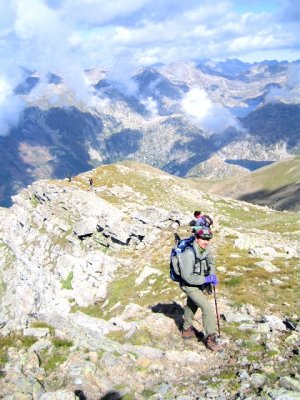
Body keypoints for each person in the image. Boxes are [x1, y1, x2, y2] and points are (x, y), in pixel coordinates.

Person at [179, 227, 222, 351]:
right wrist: (206, 279)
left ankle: (186, 330)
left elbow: (211, 262)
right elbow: (188, 278)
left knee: (193, 304)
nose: (206, 241)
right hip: (188, 285)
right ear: (196, 239)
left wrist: (212, 276)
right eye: (203, 239)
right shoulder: (189, 253)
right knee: (207, 307)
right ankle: (211, 338)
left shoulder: (205, 249)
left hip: (199, 282)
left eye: (208, 239)